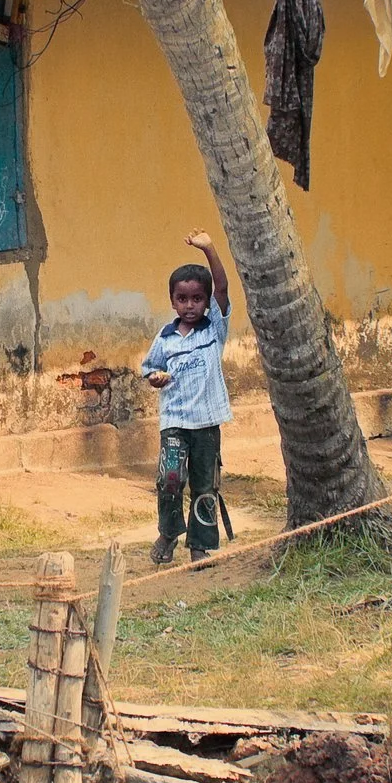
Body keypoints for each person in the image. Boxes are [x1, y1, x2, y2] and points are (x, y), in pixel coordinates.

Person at [142, 230, 231, 566]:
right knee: (170, 479)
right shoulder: (164, 338)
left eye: (197, 299)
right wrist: (156, 378)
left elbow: (222, 287)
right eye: (182, 298)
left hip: (207, 424)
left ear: (206, 301)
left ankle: (200, 544)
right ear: (173, 301)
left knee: (205, 485)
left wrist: (208, 248)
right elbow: (151, 370)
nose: (190, 305)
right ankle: (169, 531)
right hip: (175, 423)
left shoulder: (214, 330)